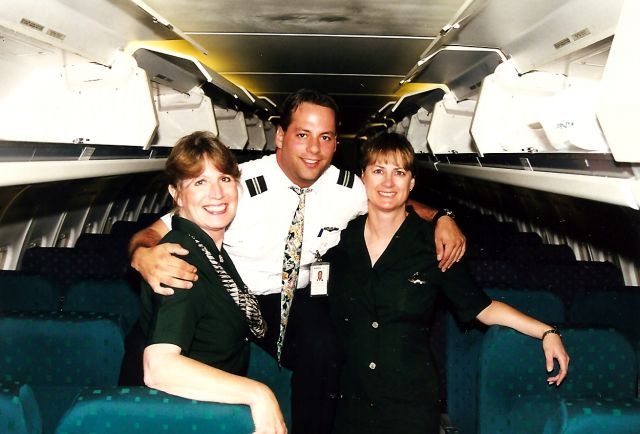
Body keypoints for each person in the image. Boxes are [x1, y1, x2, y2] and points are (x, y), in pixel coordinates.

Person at [129, 89, 466, 434]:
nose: (314, 149)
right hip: (232, 294)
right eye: (302, 135)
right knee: (149, 342)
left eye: (325, 137)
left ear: (336, 144)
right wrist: (142, 255)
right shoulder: (232, 184)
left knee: (325, 346)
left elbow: (394, 199)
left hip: (292, 298)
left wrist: (442, 216)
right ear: (280, 136)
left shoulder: (347, 187)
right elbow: (154, 231)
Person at [326, 132, 570, 434]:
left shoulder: (435, 245)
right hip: (351, 400)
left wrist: (546, 331)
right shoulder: (338, 239)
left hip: (410, 401)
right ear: (362, 177)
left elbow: (482, 306)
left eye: (399, 172)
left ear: (412, 182)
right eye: (378, 171)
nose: (388, 183)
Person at [139, 131, 286, 434]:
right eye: (200, 182)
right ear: (176, 193)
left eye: (225, 179)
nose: (217, 194)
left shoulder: (210, 250)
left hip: (214, 405)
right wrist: (258, 394)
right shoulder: (181, 259)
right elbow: (159, 367)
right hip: (193, 417)